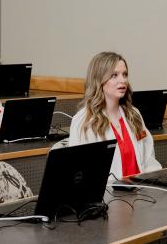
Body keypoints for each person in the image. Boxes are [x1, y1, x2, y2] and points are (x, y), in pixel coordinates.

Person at [68, 51, 161, 180]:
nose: (122, 80)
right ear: (99, 80)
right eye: (114, 75)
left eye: (125, 74)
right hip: (105, 196)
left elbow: (148, 157)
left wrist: (152, 182)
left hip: (140, 191)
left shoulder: (134, 114)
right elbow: (78, 170)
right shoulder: (84, 121)